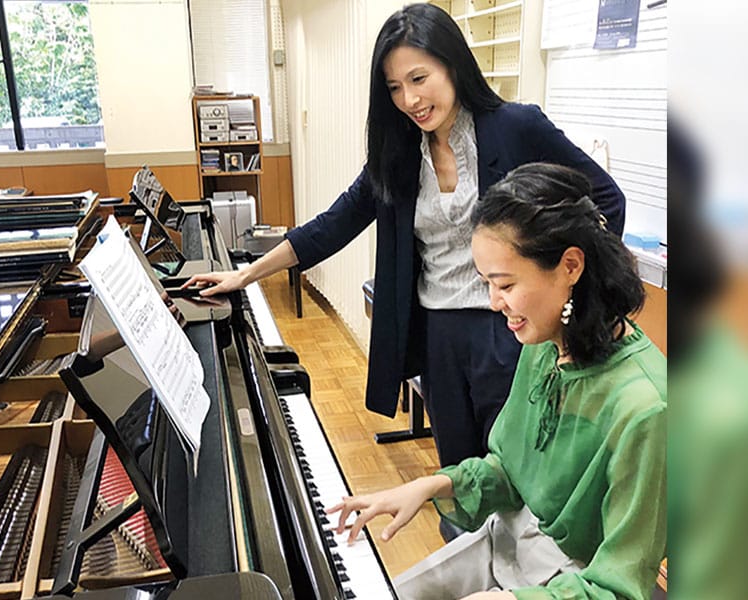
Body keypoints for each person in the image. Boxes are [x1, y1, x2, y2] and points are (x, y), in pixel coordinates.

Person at [183, 3, 625, 471]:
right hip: (438, 334)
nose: (410, 100)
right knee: (460, 473)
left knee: (519, 470)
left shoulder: (516, 128)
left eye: (419, 79)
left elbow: (606, 200)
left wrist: (569, 296)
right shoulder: (397, 155)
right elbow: (332, 225)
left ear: (453, 64)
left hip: (511, 331)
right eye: (394, 87)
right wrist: (245, 275)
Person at [327, 162, 666, 600]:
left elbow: (619, 586)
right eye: (486, 282)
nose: (493, 303)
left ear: (570, 266)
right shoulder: (545, 344)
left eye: (504, 284)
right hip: (506, 542)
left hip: (572, 583)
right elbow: (509, 471)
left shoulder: (646, 407)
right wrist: (430, 485)